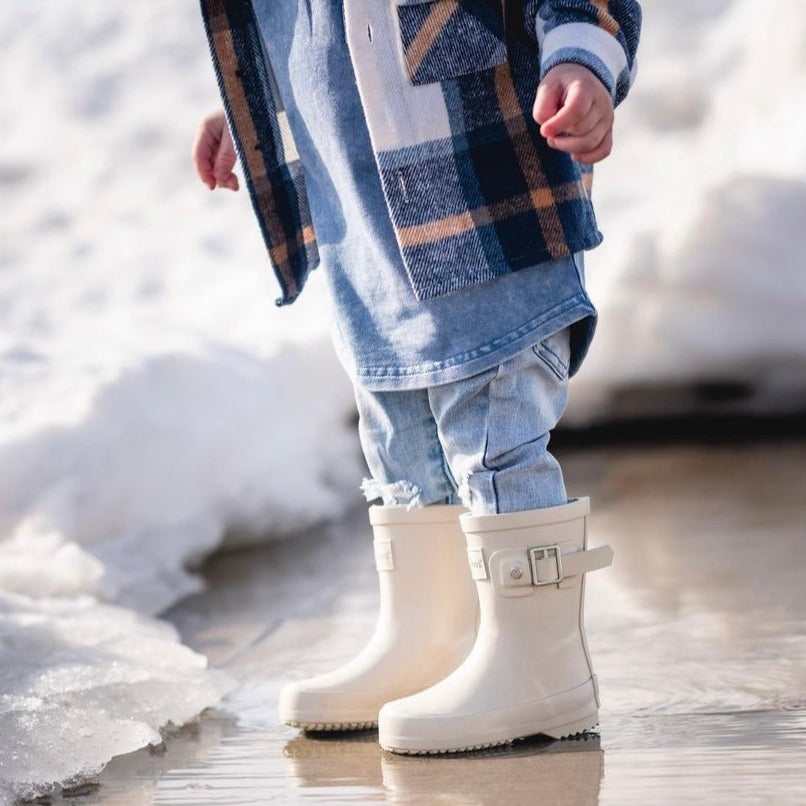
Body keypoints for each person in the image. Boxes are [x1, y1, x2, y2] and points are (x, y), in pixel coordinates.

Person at [194, 0, 640, 754]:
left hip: (482, 188)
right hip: (360, 225)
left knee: (492, 423)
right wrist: (247, 110)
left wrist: (579, 57)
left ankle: (540, 667)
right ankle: (428, 642)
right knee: (398, 433)